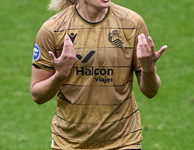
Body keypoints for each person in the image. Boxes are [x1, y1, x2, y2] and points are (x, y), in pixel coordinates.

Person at [30, 0, 167, 149]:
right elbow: (38, 95)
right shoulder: (53, 29)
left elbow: (151, 92)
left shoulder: (132, 23)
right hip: (69, 142)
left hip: (124, 140)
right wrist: (60, 75)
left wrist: (148, 69)